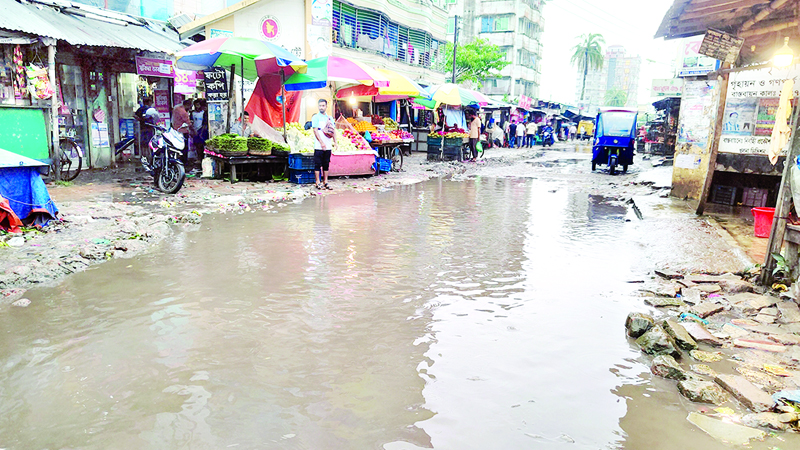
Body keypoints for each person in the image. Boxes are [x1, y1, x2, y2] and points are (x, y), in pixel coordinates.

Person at [312, 98, 336, 190]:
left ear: (326, 106)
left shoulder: (330, 118)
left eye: (323, 105)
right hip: (318, 146)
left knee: (326, 164)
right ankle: (317, 182)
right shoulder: (315, 117)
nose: (321, 107)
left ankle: (325, 181)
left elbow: (333, 131)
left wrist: (335, 142)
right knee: (317, 164)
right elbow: (315, 131)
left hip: (328, 145)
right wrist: (321, 143)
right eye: (320, 106)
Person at [171, 98, 194, 165]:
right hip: (183, 132)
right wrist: (193, 131)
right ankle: (184, 162)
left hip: (175, 131)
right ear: (187, 105)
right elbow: (189, 123)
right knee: (184, 148)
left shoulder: (176, 109)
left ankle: (178, 161)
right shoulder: (183, 112)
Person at [191, 99, 208, 166]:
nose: (197, 106)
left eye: (198, 105)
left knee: (202, 145)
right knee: (197, 146)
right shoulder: (192, 113)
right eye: (196, 105)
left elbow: (204, 123)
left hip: (202, 131)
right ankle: (199, 158)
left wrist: (201, 132)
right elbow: (191, 122)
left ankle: (202, 159)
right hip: (195, 131)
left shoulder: (204, 113)